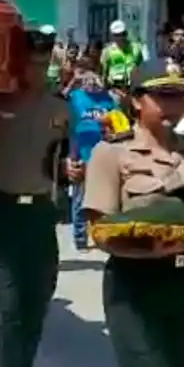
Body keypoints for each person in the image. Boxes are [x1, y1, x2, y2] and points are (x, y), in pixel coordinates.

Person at [81, 68, 184, 367]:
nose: (171, 106)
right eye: (161, 97)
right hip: (137, 282)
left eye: (176, 96)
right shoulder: (110, 153)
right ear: (136, 101)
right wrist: (153, 249)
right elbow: (99, 230)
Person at [0, 30, 69, 367]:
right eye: (31, 62)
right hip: (0, 211)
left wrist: (69, 172)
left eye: (44, 63)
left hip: (40, 214)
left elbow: (62, 158)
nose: (37, 70)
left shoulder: (59, 108)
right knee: (6, 305)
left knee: (36, 299)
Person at [67, 71, 118, 251]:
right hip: (82, 152)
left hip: (103, 153)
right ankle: (80, 238)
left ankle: (102, 235)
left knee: (103, 198)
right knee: (80, 199)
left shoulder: (108, 99)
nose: (92, 84)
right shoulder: (75, 97)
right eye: (87, 81)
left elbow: (117, 122)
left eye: (94, 81)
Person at [100, 20, 145, 86]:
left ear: (126, 33)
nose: (120, 37)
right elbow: (104, 72)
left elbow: (137, 66)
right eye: (117, 35)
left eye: (123, 34)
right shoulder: (106, 51)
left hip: (132, 86)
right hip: (114, 86)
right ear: (112, 35)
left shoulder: (135, 48)